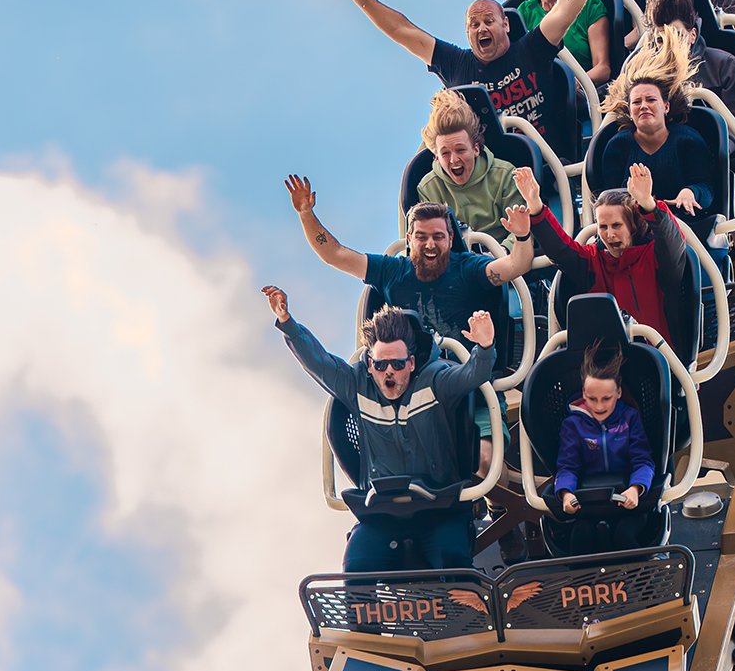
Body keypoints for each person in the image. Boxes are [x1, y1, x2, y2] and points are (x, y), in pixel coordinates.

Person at [286, 175, 531, 473]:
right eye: (422, 236)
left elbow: (515, 266)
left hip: (466, 387)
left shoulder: (467, 268)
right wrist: (305, 214)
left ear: (450, 239)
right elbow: (334, 254)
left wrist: (521, 236)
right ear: (410, 239)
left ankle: (496, 509)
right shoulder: (393, 271)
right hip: (411, 397)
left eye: (438, 237)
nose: (430, 244)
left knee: (483, 461)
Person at [264, 290, 496, 572]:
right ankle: (361, 615)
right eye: (381, 364)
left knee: (451, 559)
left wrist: (484, 348)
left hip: (439, 509)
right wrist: (287, 323)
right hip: (381, 514)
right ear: (370, 365)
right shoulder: (356, 385)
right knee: (357, 565)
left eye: (398, 365)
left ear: (411, 363)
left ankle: (464, 606)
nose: (390, 373)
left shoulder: (434, 381)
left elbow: (472, 375)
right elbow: (319, 362)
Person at [318, 0, 606, 163]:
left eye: (488, 22)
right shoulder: (457, 64)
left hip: (550, 163)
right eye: (474, 25)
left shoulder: (531, 48)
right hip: (488, 179)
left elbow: (564, 11)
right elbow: (402, 30)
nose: (481, 29)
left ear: (506, 24)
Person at [591, 24, 735, 285]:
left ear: (666, 106)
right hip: (636, 231)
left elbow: (706, 184)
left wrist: (690, 193)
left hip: (685, 224)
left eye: (651, 100)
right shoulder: (617, 147)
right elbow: (611, 198)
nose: (644, 106)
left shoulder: (687, 140)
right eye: (637, 102)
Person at [513, 161, 688, 341]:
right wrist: (535, 203)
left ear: (632, 226)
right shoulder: (592, 260)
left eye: (617, 225)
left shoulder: (654, 256)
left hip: (659, 357)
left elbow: (672, 242)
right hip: (607, 360)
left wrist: (647, 203)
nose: (610, 234)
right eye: (603, 227)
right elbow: (560, 250)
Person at [412, 89, 524, 245]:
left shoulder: (505, 175)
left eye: (460, 150)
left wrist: (503, 252)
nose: (453, 160)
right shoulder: (428, 188)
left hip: (504, 257)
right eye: (445, 153)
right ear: (436, 157)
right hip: (456, 264)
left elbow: (522, 230)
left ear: (476, 149)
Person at [554, 346, 655, 516]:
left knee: (627, 533)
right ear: (584, 394)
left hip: (625, 496)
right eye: (592, 399)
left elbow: (643, 460)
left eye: (606, 399)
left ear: (619, 393)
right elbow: (567, 466)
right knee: (581, 533)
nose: (599, 406)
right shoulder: (572, 424)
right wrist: (566, 493)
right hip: (588, 500)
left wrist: (636, 488)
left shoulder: (630, 418)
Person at [647, 0, 735, 114]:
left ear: (692, 35)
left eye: (677, 36)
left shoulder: (724, 65)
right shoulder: (644, 70)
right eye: (661, 41)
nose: (669, 46)